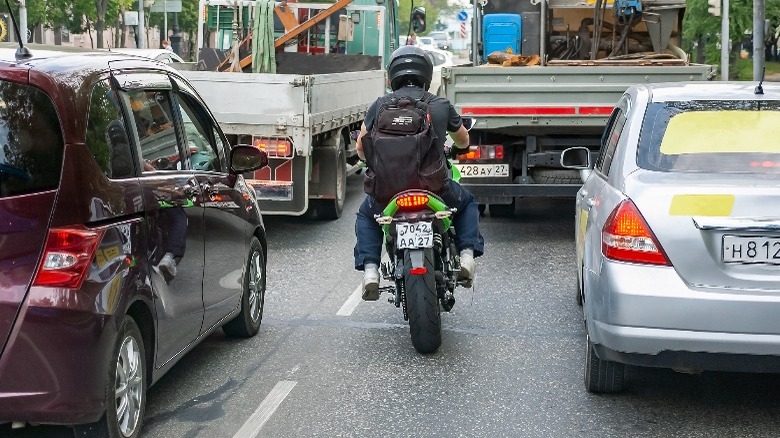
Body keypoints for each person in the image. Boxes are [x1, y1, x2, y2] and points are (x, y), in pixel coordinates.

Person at [354, 45, 484, 301]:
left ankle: (371, 272)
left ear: (393, 76)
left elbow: (361, 148)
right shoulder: (440, 104)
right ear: (426, 74)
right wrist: (456, 144)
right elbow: (463, 140)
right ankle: (467, 256)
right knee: (467, 202)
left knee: (365, 215)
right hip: (435, 189)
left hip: (388, 193)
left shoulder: (379, 105)